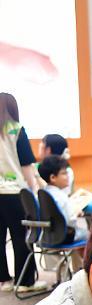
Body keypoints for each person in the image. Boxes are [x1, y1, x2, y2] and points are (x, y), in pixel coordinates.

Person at [0, 92, 45, 293]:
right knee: (21, 236)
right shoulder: (16, 130)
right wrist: (33, 189)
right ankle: (25, 281)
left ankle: (3, 281)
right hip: (15, 192)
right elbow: (27, 164)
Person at [38, 155, 87, 242]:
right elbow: (70, 221)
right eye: (64, 173)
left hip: (47, 235)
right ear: (53, 177)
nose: (68, 176)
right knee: (91, 235)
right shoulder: (61, 196)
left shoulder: (44, 193)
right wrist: (76, 212)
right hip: (64, 236)